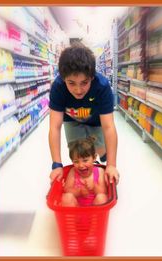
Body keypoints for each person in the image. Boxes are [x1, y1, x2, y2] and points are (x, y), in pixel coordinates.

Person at [49, 42, 119, 184]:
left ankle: (103, 156)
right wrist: (56, 165)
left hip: (96, 120)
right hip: (71, 120)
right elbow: (54, 127)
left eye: (84, 82)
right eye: (71, 83)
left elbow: (109, 127)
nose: (78, 90)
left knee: (101, 150)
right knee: (79, 153)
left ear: (92, 77)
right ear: (63, 79)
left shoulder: (103, 86)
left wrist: (111, 165)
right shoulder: (57, 87)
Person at [61, 137, 108, 207]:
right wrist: (79, 191)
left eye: (85, 160)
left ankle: (94, 217)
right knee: (66, 197)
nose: (81, 165)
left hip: (95, 209)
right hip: (76, 207)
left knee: (102, 198)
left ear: (94, 158)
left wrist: (94, 187)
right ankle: (74, 217)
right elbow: (67, 190)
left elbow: (104, 191)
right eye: (76, 161)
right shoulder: (73, 172)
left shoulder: (100, 171)